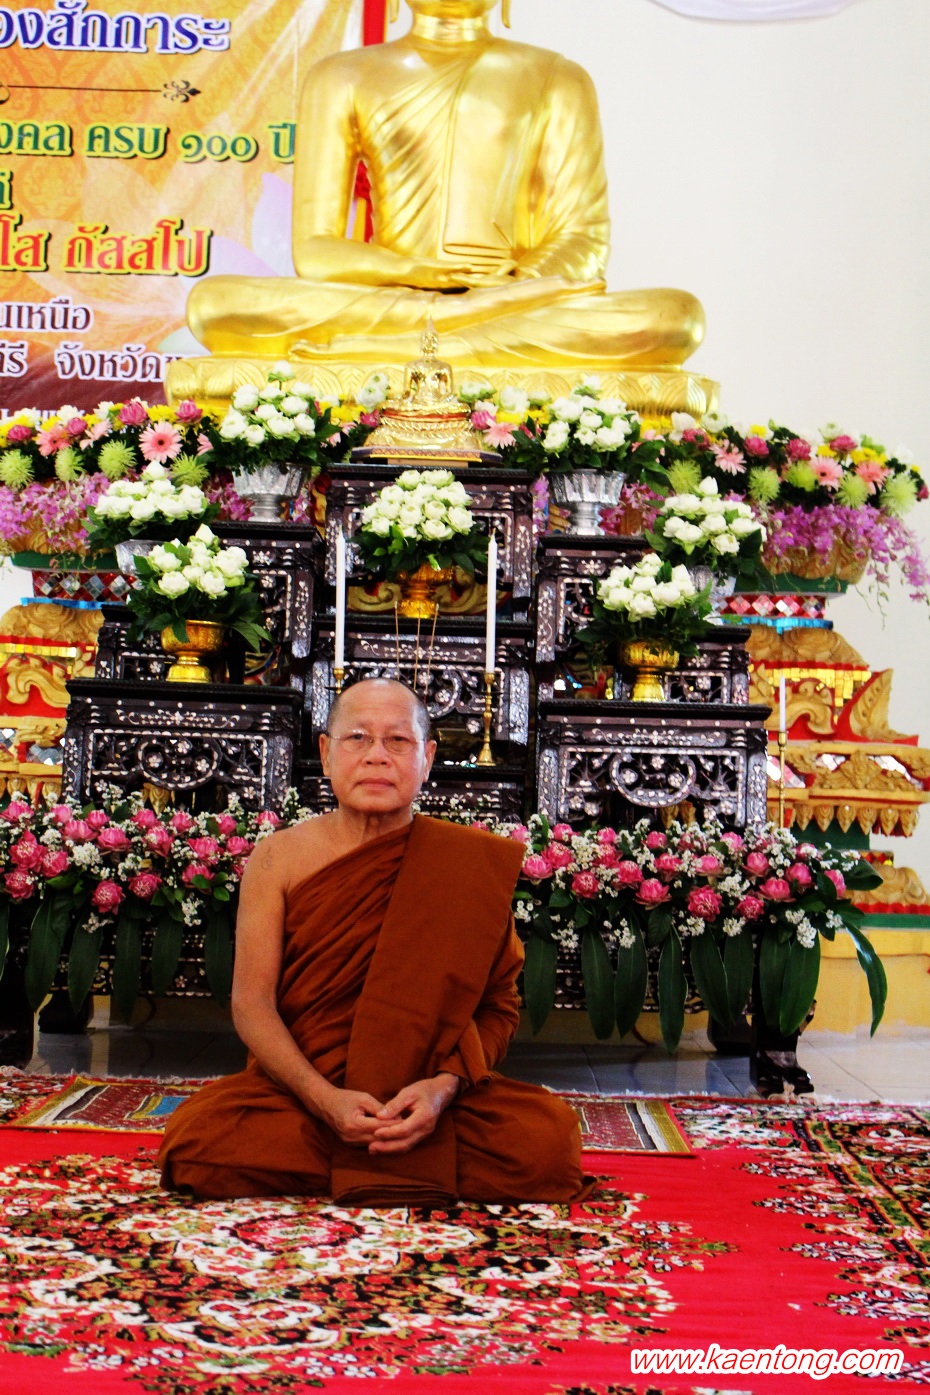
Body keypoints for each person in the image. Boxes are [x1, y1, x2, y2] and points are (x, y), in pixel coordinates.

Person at [158, 677, 590, 1205]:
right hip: (306, 1094)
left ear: (427, 758)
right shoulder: (279, 858)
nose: (376, 756)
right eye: (357, 738)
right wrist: (324, 1100)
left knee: (547, 1144)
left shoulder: (467, 865)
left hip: (431, 1097)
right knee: (198, 1143)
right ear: (326, 753)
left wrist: (443, 1088)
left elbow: (498, 1006)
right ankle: (397, 1155)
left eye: (398, 741)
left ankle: (376, 1147)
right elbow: (252, 1005)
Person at [184, 0, 704, 371]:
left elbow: (583, 238)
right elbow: (315, 251)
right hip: (395, 295)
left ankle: (407, 343)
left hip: (509, 296)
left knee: (674, 318)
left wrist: (510, 286)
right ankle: (452, 328)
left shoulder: (556, 77)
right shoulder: (342, 76)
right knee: (214, 304)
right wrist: (412, 272)